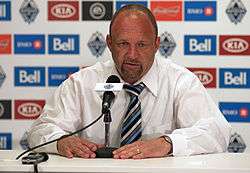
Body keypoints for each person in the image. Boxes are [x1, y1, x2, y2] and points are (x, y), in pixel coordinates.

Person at [27, 4, 231, 159]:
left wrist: (168, 143)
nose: (132, 55)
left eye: (142, 45)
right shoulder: (82, 83)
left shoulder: (180, 82)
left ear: (157, 44)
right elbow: (40, 130)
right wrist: (61, 141)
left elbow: (217, 132)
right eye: (123, 43)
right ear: (109, 43)